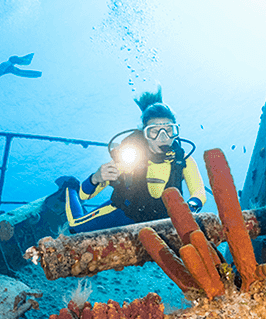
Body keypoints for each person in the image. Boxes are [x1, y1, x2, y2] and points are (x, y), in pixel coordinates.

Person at [54, 88, 206, 233]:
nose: (162, 137)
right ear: (144, 134)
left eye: (168, 130)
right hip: (123, 212)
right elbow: (85, 195)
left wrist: (190, 208)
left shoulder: (184, 160)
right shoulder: (132, 157)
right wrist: (95, 178)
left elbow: (199, 191)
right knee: (75, 227)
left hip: (161, 220)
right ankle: (69, 187)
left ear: (175, 132)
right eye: (154, 132)